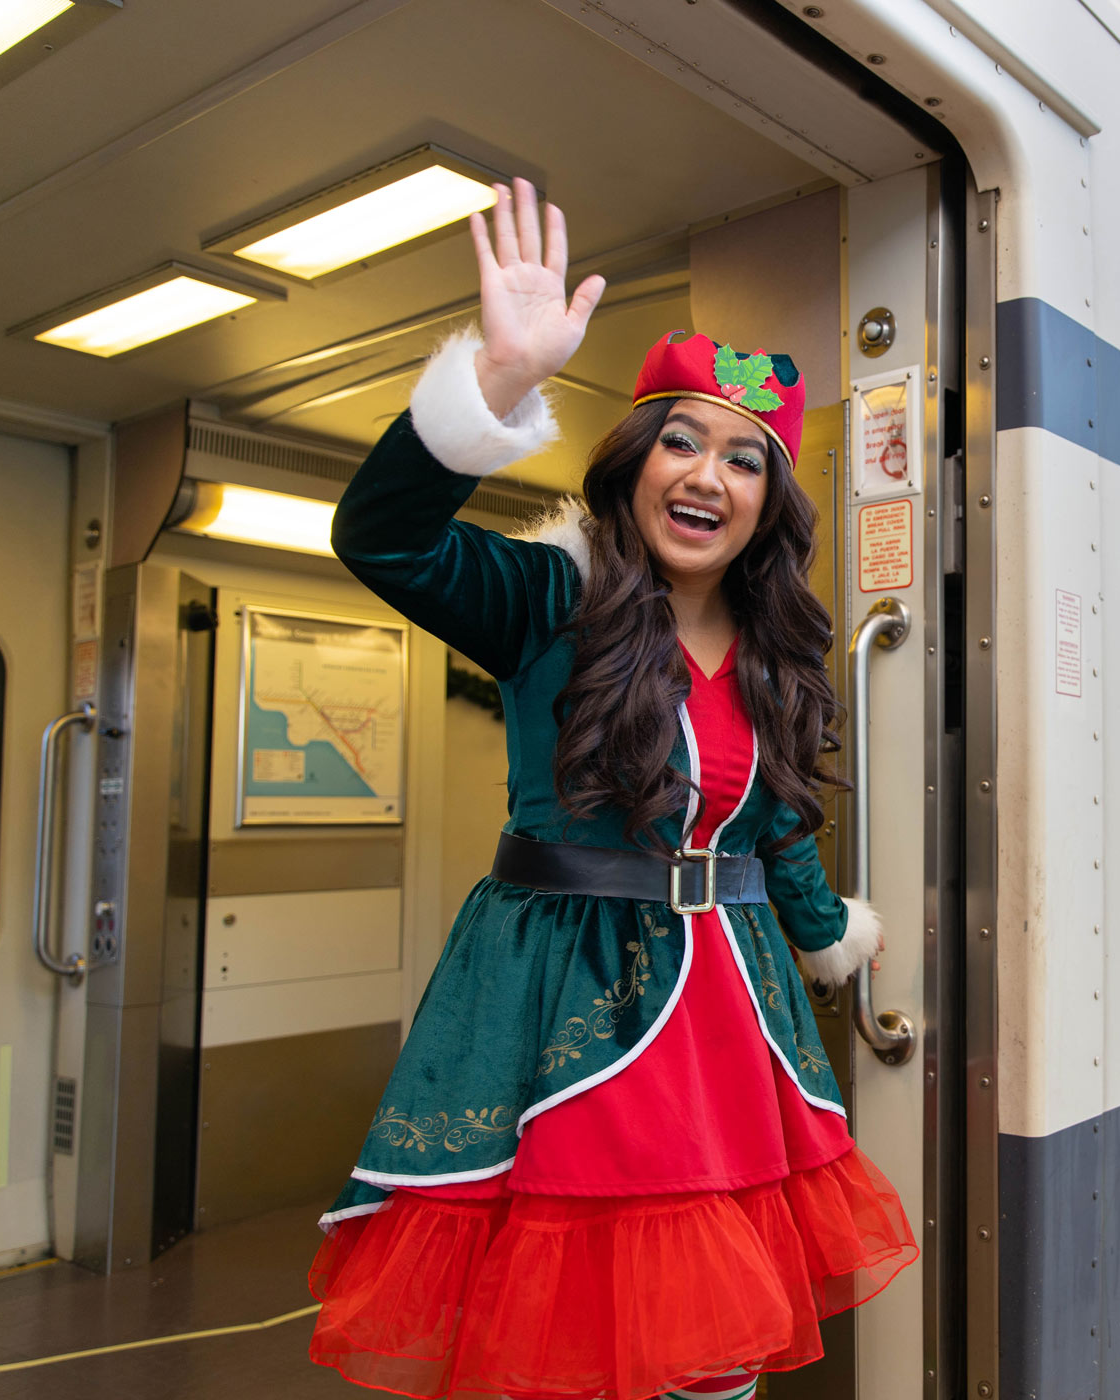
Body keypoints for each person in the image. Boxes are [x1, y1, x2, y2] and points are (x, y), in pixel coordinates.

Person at [306, 181, 916, 1400]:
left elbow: (780, 829)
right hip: (563, 987)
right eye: (681, 441)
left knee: (718, 1346)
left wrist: (829, 936)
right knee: (573, 1341)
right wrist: (494, 374)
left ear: (769, 503)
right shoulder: (548, 598)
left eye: (746, 458)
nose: (709, 475)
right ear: (634, 464)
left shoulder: (781, 654)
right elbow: (382, 537)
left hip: (734, 1012)